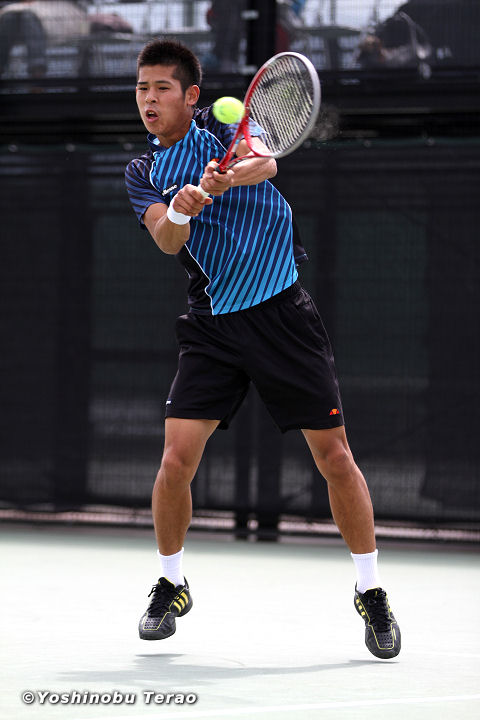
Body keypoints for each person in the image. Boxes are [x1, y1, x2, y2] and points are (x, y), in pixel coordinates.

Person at [125, 38, 401, 660]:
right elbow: (166, 240)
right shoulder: (142, 172)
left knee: (335, 457)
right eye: (142, 88)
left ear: (191, 96)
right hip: (212, 326)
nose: (149, 99)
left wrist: (224, 179)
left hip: (282, 314)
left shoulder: (223, 129)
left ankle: (372, 592)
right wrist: (183, 209)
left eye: (162, 88)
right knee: (175, 460)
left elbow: (265, 164)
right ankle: (171, 583)